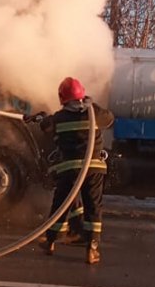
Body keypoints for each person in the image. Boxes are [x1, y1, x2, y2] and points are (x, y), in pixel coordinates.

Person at [34, 77, 114, 265]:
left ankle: (51, 242)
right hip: (93, 168)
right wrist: (90, 104)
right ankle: (92, 249)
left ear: (62, 97)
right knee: (93, 206)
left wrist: (41, 117)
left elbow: (45, 126)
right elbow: (109, 119)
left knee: (61, 205)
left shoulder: (59, 117)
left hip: (70, 169)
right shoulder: (94, 112)